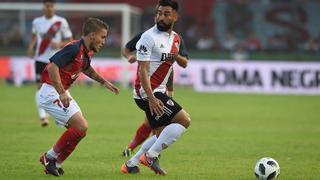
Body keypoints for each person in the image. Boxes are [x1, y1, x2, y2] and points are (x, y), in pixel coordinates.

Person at [38, 17, 119, 177]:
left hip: (61, 91)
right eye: (103, 37)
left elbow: (87, 70)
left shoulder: (86, 52)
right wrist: (61, 92)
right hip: (51, 91)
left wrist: (105, 82)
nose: (104, 41)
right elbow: (52, 66)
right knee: (80, 126)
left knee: (80, 131)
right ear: (93, 35)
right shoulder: (74, 48)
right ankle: (49, 157)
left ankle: (56, 163)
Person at [121, 0, 190, 175]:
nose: (161, 17)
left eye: (166, 14)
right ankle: (150, 156)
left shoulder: (176, 39)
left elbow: (170, 66)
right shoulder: (148, 37)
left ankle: (131, 163)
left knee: (161, 135)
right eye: (159, 13)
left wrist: (170, 90)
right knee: (184, 120)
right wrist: (151, 98)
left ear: (175, 16)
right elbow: (142, 69)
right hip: (145, 92)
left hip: (159, 91)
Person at [27, 0, 73, 127]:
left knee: (60, 86)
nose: (49, 8)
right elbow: (34, 36)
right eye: (47, 6)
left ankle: (62, 116)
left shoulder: (61, 22)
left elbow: (70, 40)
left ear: (54, 7)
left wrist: (59, 44)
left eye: (51, 6)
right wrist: (31, 47)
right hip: (40, 58)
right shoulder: (37, 22)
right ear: (43, 7)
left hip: (56, 60)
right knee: (39, 87)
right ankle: (43, 117)